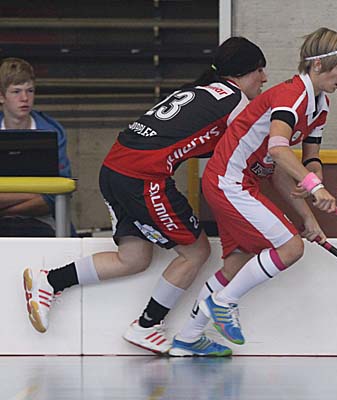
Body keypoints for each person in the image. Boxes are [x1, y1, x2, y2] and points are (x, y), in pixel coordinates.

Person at [22, 37, 268, 356]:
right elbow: (244, 156)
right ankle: (148, 325)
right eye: (260, 70)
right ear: (242, 72)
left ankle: (50, 281)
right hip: (143, 177)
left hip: (114, 167)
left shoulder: (200, 90)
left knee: (134, 258)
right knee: (196, 252)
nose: (264, 78)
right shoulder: (236, 102)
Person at [171, 27, 337, 349]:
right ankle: (224, 302)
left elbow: (296, 166)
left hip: (242, 184)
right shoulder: (291, 96)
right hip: (228, 182)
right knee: (291, 248)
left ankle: (187, 338)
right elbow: (278, 150)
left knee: (237, 264)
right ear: (317, 65)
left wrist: (309, 212)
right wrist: (313, 187)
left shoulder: (320, 105)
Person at [0, 57, 73, 237]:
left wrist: (5, 208)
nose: (25, 98)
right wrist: (34, 194)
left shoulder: (53, 131)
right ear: (1, 96)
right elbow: (46, 195)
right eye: (16, 91)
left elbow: (54, 198)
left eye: (30, 91)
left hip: (43, 221)